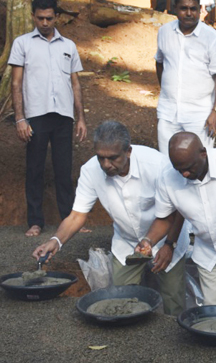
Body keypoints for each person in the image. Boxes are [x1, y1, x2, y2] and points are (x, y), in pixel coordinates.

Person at [31, 121, 189, 315]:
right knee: (121, 301)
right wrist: (55, 240)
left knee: (173, 301)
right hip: (127, 243)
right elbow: (77, 215)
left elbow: (176, 211)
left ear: (128, 151)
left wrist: (168, 245)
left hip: (167, 240)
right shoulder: (90, 171)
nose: (106, 165)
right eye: (101, 158)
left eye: (113, 158)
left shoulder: (157, 166)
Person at [137, 132, 216, 307]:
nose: (184, 173)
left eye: (189, 167)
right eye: (179, 169)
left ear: (203, 153)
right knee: (213, 314)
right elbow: (165, 218)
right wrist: (148, 240)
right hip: (209, 252)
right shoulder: (168, 178)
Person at [10, 0, 87, 238]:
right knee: (34, 169)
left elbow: (75, 84)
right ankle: (35, 222)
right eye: (40, 18)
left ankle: (69, 220)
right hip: (36, 116)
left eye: (49, 18)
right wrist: (20, 119)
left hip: (63, 116)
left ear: (57, 17)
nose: (44, 22)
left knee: (64, 170)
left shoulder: (69, 46)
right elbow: (16, 83)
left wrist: (81, 118)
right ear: (33, 16)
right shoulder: (22, 44)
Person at [154, 0, 216, 155]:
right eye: (183, 8)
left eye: (193, 9)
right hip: (168, 112)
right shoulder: (164, 32)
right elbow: (160, 62)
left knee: (201, 162)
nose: (189, 13)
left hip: (200, 115)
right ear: (175, 9)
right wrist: (167, 90)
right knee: (166, 161)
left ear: (199, 9)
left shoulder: (212, 37)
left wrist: (215, 111)